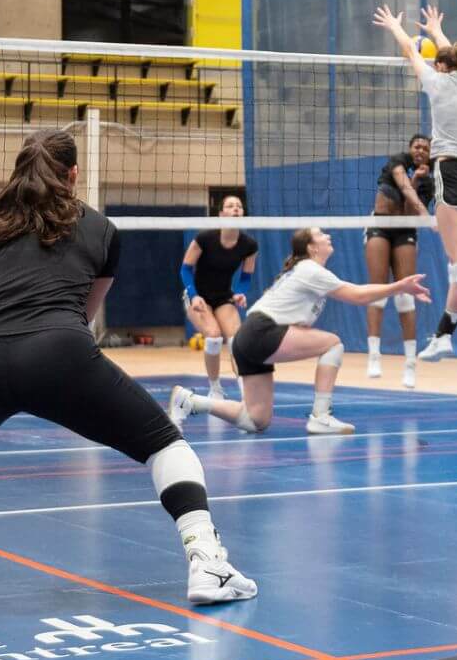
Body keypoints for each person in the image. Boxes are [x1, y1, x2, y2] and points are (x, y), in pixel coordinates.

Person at [0, 129, 257, 605]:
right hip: (57, 350)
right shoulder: (101, 229)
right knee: (165, 443)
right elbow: (84, 315)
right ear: (74, 174)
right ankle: (208, 565)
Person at [171, 228, 429, 436]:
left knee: (255, 420)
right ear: (311, 247)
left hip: (248, 338)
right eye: (321, 235)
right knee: (333, 344)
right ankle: (320, 416)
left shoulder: (303, 271)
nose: (328, 236)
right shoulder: (310, 269)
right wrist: (400, 286)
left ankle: (190, 401)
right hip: (261, 331)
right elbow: (357, 295)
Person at [373, 4, 457, 375]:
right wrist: (436, 30)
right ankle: (445, 333)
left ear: (442, 66)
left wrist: (396, 28)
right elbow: (451, 55)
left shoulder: (435, 82)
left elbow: (410, 52)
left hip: (452, 173)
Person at [364, 134, 434, 387]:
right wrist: (419, 200)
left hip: (405, 229)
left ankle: (410, 363)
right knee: (377, 291)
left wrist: (417, 182)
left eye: (426, 149)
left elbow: (408, 211)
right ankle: (374, 354)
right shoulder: (397, 162)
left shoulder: (428, 181)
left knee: (405, 294)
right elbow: (400, 192)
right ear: (409, 148)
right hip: (380, 226)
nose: (421, 151)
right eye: (417, 146)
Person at [180, 194, 259, 400]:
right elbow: (186, 269)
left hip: (224, 297)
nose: (235, 209)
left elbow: (246, 276)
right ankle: (215, 388)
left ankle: (246, 390)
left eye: (239, 206)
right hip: (198, 296)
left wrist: (241, 292)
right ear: (222, 213)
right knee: (214, 337)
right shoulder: (205, 238)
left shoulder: (249, 245)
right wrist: (194, 295)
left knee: (237, 341)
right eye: (230, 206)